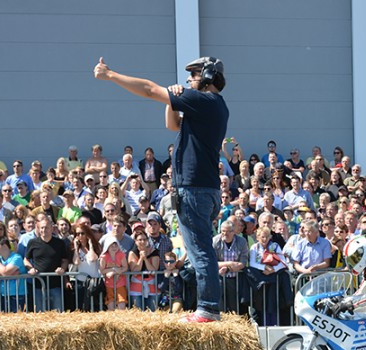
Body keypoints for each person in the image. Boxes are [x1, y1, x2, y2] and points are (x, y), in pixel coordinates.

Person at [94, 54, 228, 323]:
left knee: (200, 251)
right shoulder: (213, 105)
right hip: (204, 189)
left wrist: (111, 76)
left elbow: (148, 89)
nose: (190, 80)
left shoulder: (203, 100)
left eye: (194, 75)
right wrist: (172, 101)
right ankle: (208, 307)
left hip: (194, 189)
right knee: (200, 249)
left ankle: (208, 309)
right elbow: (172, 125)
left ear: (208, 77)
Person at [25, 215, 71, 312]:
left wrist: (62, 268)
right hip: (38, 285)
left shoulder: (60, 243)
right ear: (38, 228)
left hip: (56, 285)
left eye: (46, 227)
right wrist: (30, 268)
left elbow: (65, 260)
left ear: (52, 228)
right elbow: (26, 259)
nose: (44, 230)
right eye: (42, 227)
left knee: (58, 313)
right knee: (40, 314)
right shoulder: (32, 242)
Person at [0, 236, 28, 313]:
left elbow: (5, 272)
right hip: (3, 294)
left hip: (17, 294)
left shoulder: (17, 257)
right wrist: (8, 273)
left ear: (4, 246)